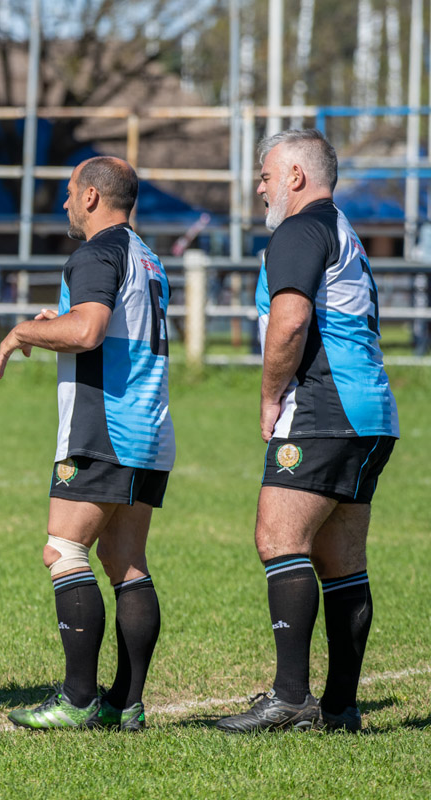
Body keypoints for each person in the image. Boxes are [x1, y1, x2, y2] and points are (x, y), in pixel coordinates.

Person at [216, 129, 398, 734]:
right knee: (341, 558)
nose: (260, 186)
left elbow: (290, 323)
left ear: (296, 175)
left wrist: (270, 397)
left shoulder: (299, 228)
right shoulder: (341, 228)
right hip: (370, 412)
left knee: (278, 538)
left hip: (325, 408)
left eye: (266, 175)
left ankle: (291, 697)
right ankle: (341, 708)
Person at [0, 156, 173, 731]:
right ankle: (127, 702)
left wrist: (25, 330)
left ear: (93, 196)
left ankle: (77, 699)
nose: (66, 203)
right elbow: (101, 325)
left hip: (104, 429)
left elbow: (90, 331)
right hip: (149, 427)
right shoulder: (146, 256)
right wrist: (64, 320)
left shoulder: (95, 252)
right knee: (125, 564)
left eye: (71, 193)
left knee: (63, 551)